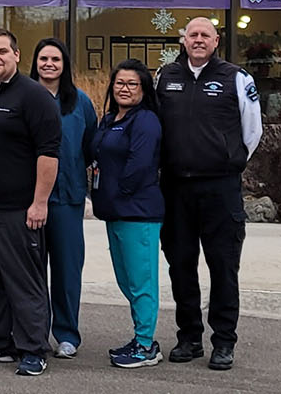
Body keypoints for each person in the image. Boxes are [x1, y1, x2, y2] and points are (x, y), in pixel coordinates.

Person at [155, 17, 262, 371]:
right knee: (180, 265)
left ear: (217, 40)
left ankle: (224, 342)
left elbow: (252, 132)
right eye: (192, 35)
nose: (198, 40)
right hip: (176, 188)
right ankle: (189, 337)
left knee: (223, 266)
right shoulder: (165, 78)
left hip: (220, 189)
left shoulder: (237, 78)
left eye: (205, 35)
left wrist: (228, 162)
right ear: (183, 40)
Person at [0, 28, 61, 378]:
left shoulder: (33, 96)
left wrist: (40, 203)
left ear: (17, 55)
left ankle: (33, 348)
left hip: (17, 209)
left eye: (2, 51)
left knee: (23, 281)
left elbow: (48, 153)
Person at [91, 59, 164, 369]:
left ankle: (146, 345)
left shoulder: (145, 120)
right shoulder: (109, 119)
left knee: (141, 281)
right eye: (119, 82)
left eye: (132, 83)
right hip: (114, 212)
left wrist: (117, 193)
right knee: (126, 279)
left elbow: (139, 163)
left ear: (143, 89)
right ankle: (140, 337)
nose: (124, 88)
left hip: (138, 213)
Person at [29, 37, 97, 360]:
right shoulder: (23, 98)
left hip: (68, 199)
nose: (49, 65)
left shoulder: (80, 102)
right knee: (32, 270)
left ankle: (67, 334)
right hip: (29, 200)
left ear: (64, 65)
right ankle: (34, 332)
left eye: (55, 59)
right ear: (35, 63)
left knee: (68, 270)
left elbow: (90, 147)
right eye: (43, 59)